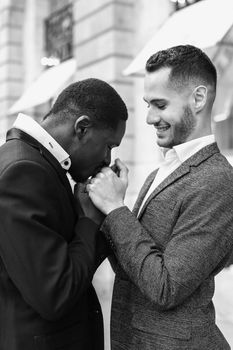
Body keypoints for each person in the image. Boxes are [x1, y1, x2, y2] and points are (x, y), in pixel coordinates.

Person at [85, 45, 233, 349]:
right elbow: (134, 268)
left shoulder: (218, 180)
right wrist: (105, 206)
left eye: (160, 104)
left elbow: (165, 287)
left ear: (199, 98)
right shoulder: (160, 171)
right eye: (147, 104)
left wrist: (115, 209)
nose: (150, 117)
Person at [0, 78, 127, 350]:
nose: (107, 159)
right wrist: (89, 220)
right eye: (109, 146)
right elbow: (54, 294)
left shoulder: (34, 162)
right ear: (82, 127)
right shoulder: (23, 170)